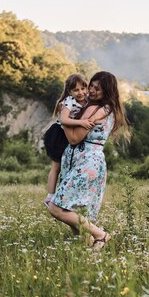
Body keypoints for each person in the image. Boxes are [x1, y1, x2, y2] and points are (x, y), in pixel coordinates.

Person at [47, 71, 130, 250]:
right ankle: (85, 247)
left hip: (85, 160)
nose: (91, 91)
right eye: (91, 86)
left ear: (106, 91)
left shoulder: (93, 109)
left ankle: (100, 235)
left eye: (97, 89)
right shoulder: (109, 109)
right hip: (94, 160)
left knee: (56, 208)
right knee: (75, 209)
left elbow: (74, 139)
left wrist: (63, 121)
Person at [43, 74, 96, 206]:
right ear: (69, 91)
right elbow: (64, 120)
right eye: (76, 90)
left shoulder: (88, 100)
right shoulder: (68, 101)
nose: (80, 92)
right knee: (57, 166)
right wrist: (81, 122)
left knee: (71, 165)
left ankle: (70, 194)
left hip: (72, 135)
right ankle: (50, 196)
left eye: (83, 88)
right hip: (59, 135)